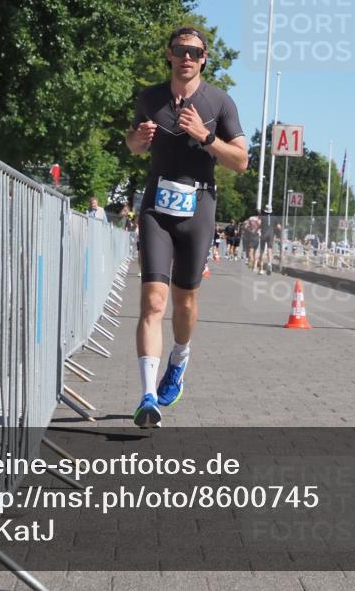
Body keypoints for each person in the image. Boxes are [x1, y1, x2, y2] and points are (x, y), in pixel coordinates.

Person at [124, 26, 247, 427]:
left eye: (194, 51)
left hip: (198, 208)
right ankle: (146, 397)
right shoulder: (150, 98)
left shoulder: (220, 102)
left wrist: (205, 136)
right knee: (153, 302)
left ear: (204, 58)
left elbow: (241, 161)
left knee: (185, 302)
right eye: (180, 50)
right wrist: (138, 140)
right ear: (170, 54)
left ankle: (179, 358)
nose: (187, 57)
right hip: (157, 208)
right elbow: (134, 144)